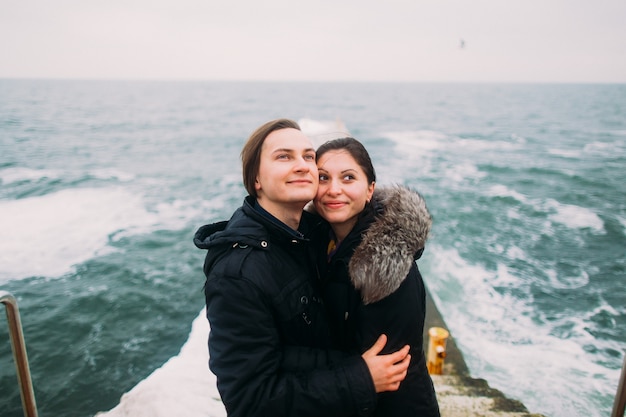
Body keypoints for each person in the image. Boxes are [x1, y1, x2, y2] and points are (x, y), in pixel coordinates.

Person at [193, 119, 411, 417]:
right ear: (256, 179)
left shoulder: (312, 235)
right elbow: (249, 402)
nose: (302, 165)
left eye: (308, 156)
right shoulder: (238, 274)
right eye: (284, 156)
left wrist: (399, 236)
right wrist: (359, 378)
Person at [310, 137, 441, 417]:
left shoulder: (384, 271)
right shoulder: (322, 244)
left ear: (370, 190)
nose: (334, 189)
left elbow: (386, 374)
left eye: (348, 177)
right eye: (323, 177)